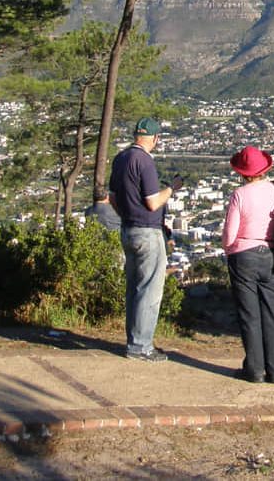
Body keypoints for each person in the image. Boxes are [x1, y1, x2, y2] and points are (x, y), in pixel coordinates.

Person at [108, 117, 181, 363]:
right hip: (147, 231)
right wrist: (172, 189)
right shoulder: (144, 161)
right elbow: (152, 201)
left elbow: (113, 198)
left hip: (128, 229)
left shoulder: (121, 158)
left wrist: (127, 216)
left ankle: (134, 341)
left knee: (134, 289)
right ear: (155, 138)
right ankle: (141, 346)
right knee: (150, 290)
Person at [222, 145, 274, 383]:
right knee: (272, 313)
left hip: (244, 256)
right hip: (272, 254)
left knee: (249, 314)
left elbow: (230, 233)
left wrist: (229, 250)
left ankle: (254, 370)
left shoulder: (240, 194)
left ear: (242, 172)